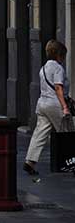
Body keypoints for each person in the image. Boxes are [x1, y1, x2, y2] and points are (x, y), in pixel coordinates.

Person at [23, 40, 72, 176]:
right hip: (55, 105)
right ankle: (71, 163)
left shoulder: (43, 68)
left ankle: (30, 162)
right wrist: (65, 107)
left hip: (42, 104)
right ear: (59, 55)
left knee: (39, 134)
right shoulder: (57, 68)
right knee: (67, 133)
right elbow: (58, 87)